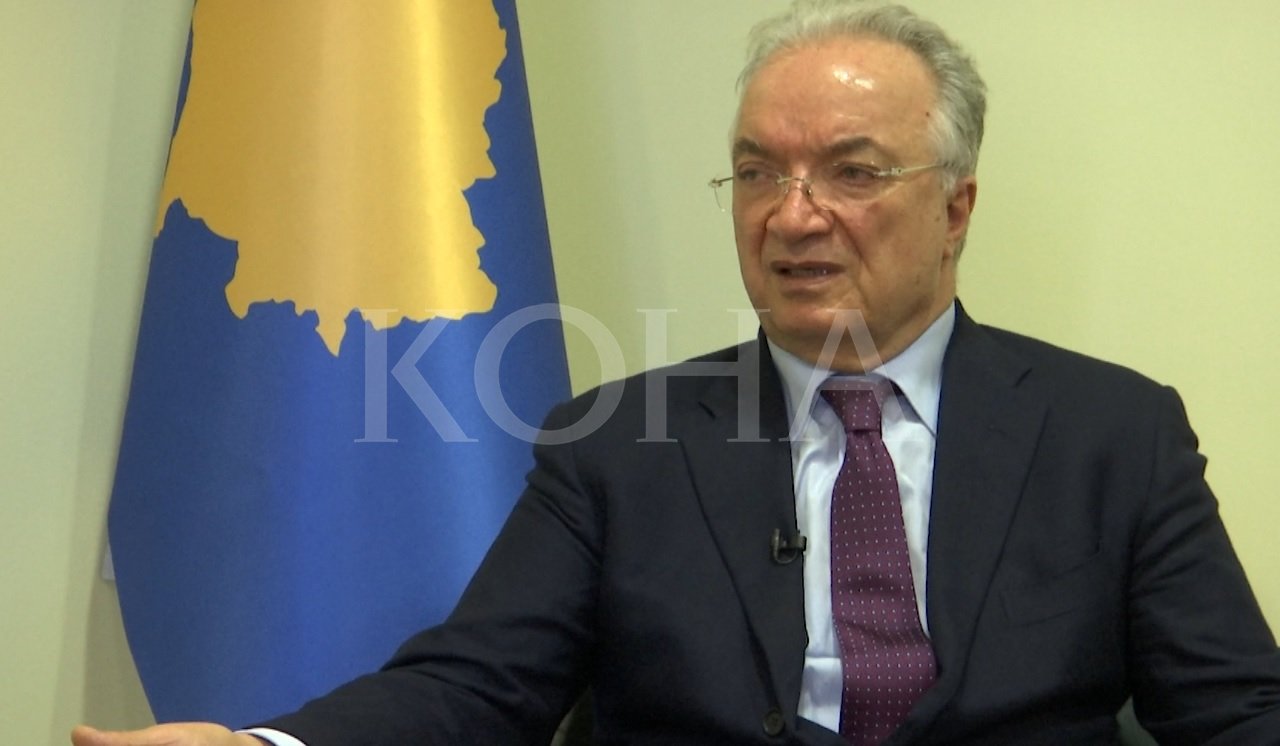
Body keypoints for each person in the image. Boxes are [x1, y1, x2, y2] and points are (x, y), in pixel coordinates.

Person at [74, 1, 1280, 744]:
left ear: (954, 207)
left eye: (851, 171)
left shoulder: (1110, 432)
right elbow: (476, 686)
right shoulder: (615, 441)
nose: (791, 215)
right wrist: (264, 745)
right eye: (756, 172)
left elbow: (1231, 706)